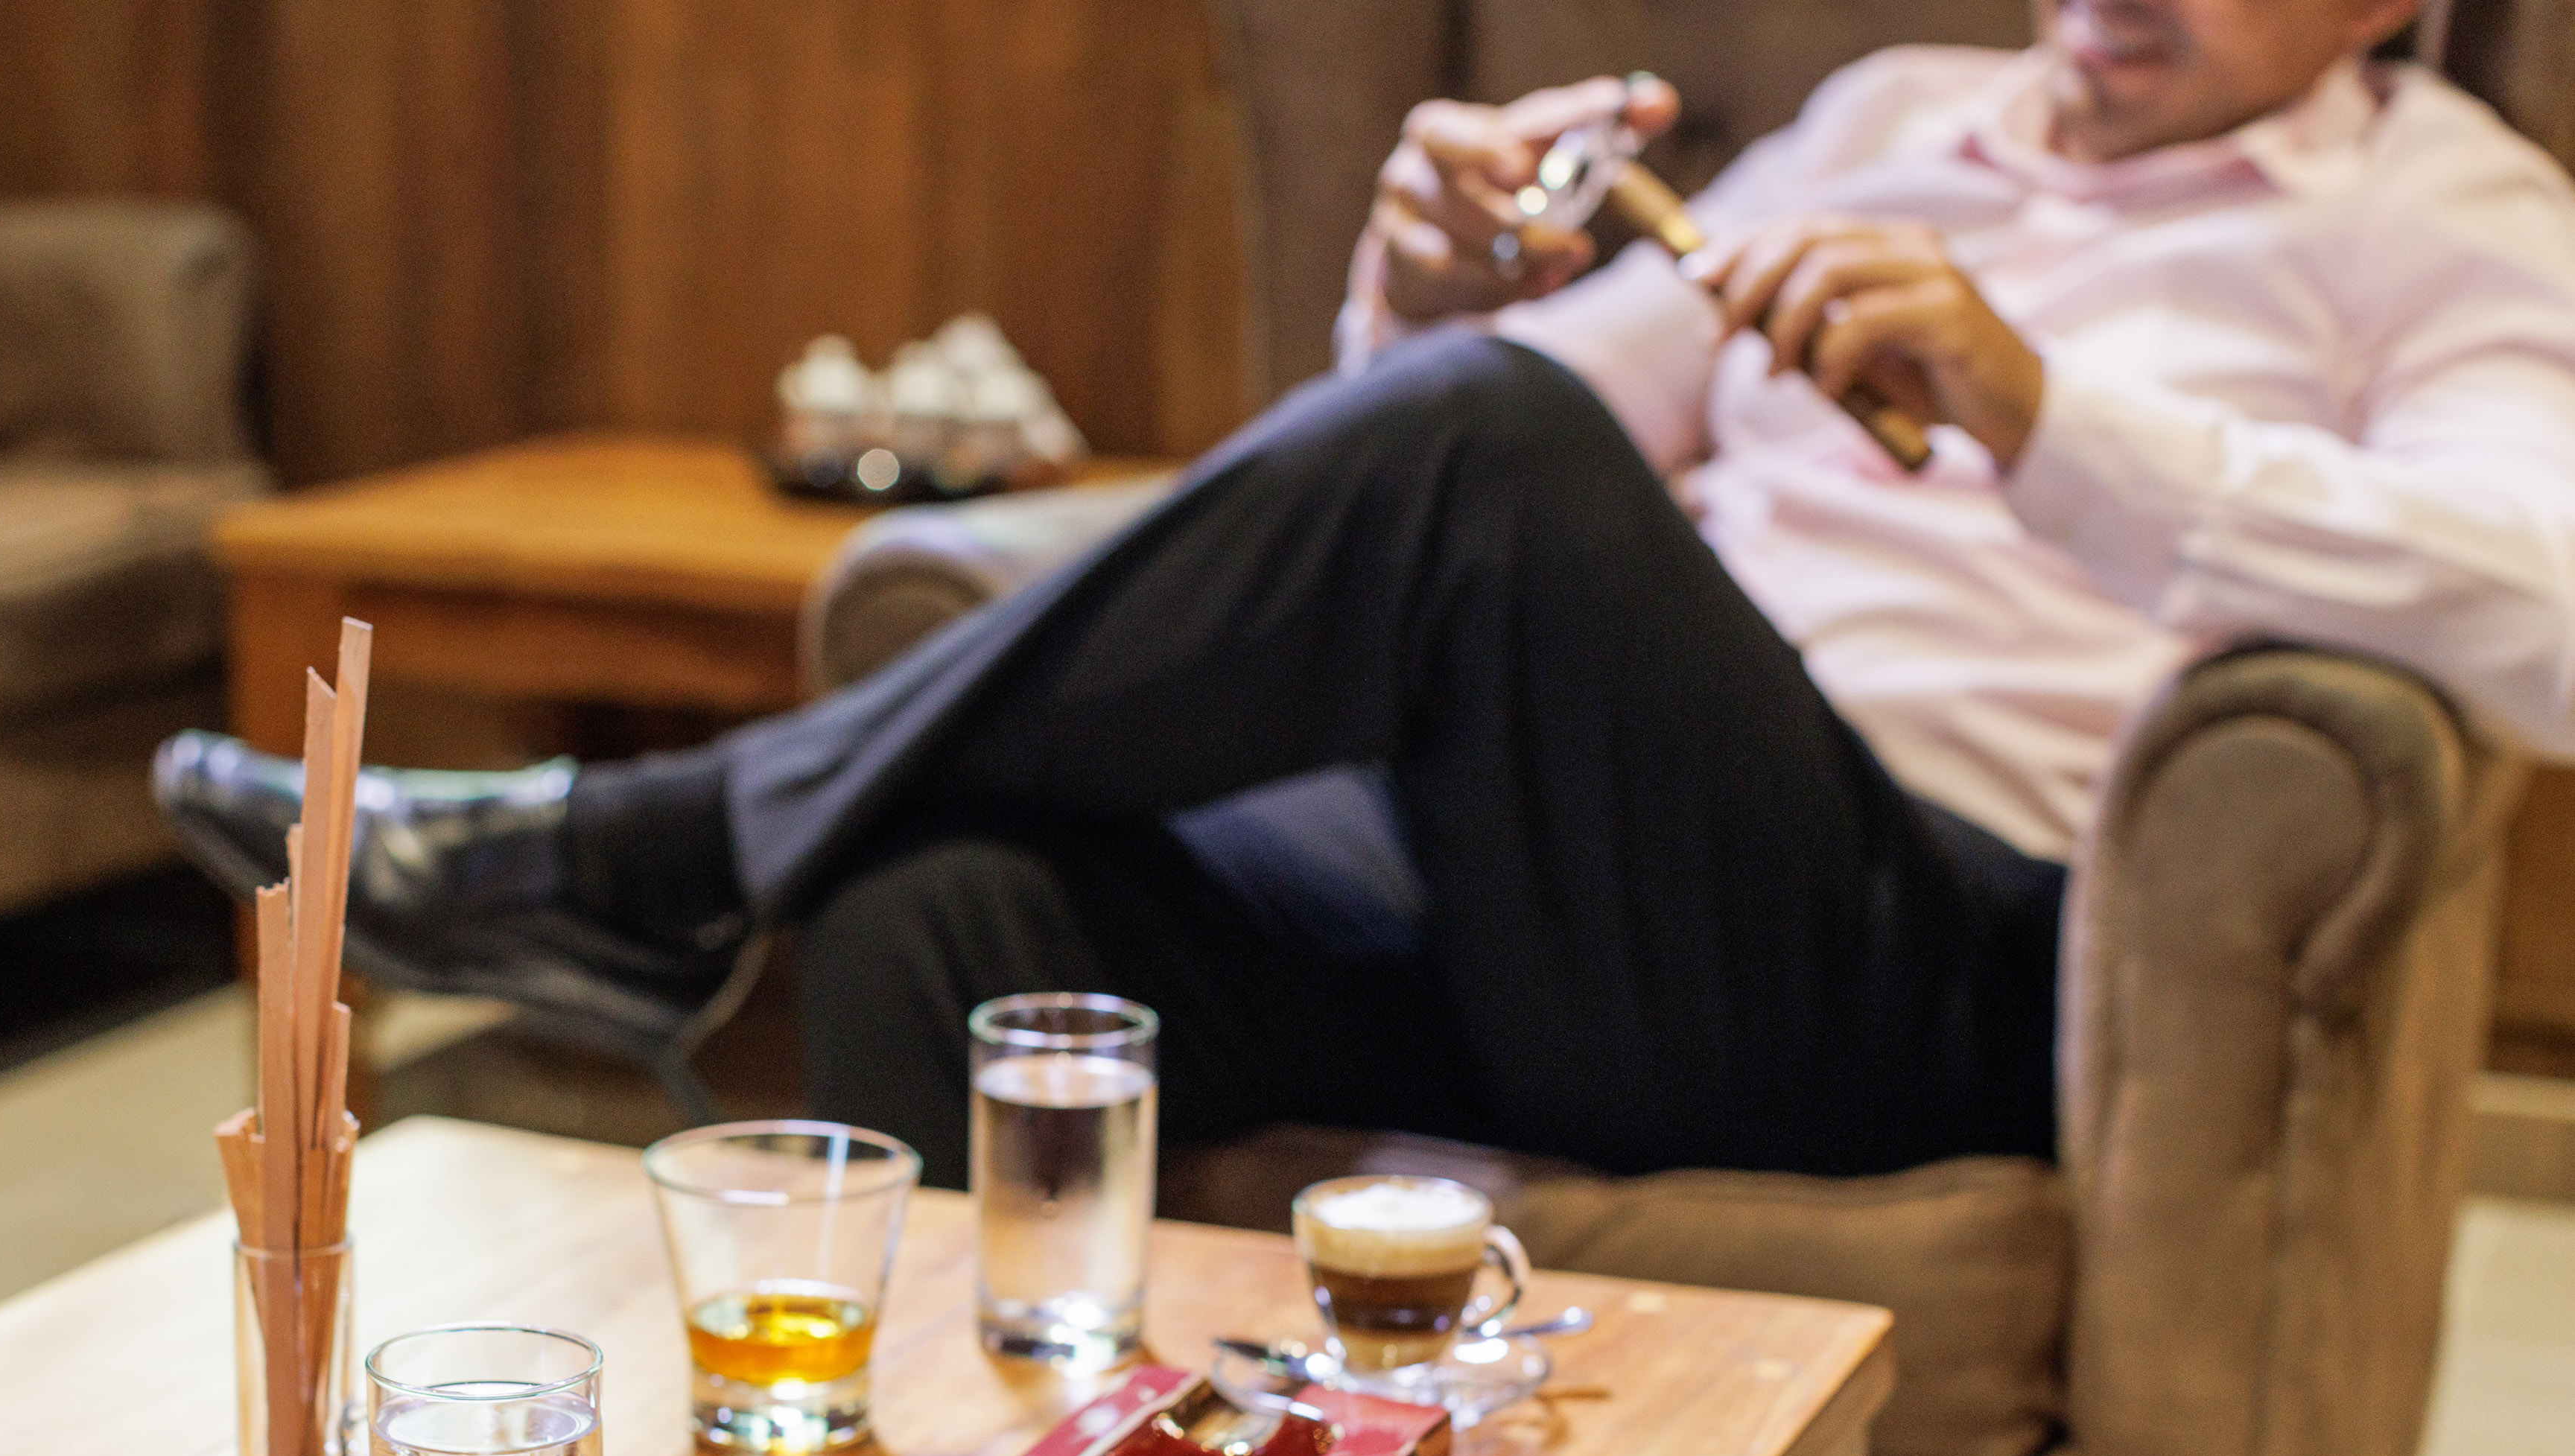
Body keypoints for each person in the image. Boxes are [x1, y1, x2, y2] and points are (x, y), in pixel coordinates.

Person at [157, 0, 2575, 1188]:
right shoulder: (1896, 118)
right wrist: (1417, 287)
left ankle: (633, 858)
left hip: (1913, 956)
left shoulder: (2434, 213)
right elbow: (1506, 413)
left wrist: (2057, 414)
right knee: (954, 898)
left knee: (1488, 467)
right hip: (1570, 886)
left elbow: (2543, 615)